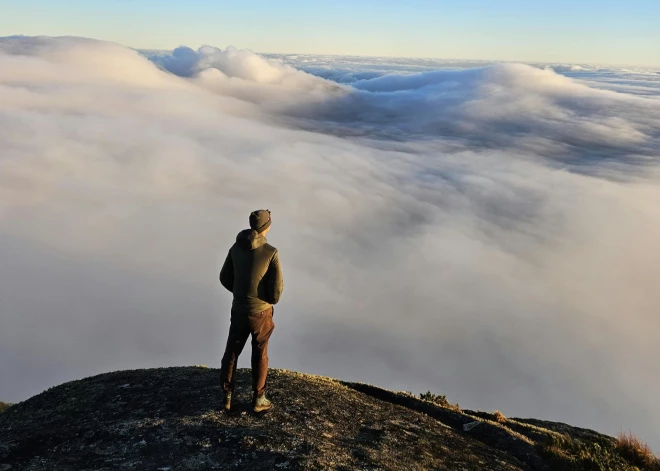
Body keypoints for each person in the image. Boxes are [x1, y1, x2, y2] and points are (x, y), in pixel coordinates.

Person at [219, 209, 283, 412]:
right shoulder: (271, 252)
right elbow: (275, 293)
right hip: (261, 313)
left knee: (232, 351)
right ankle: (259, 399)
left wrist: (240, 294)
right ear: (267, 227)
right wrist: (262, 299)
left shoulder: (235, 248)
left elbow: (224, 278)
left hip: (238, 309)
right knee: (260, 352)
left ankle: (227, 396)